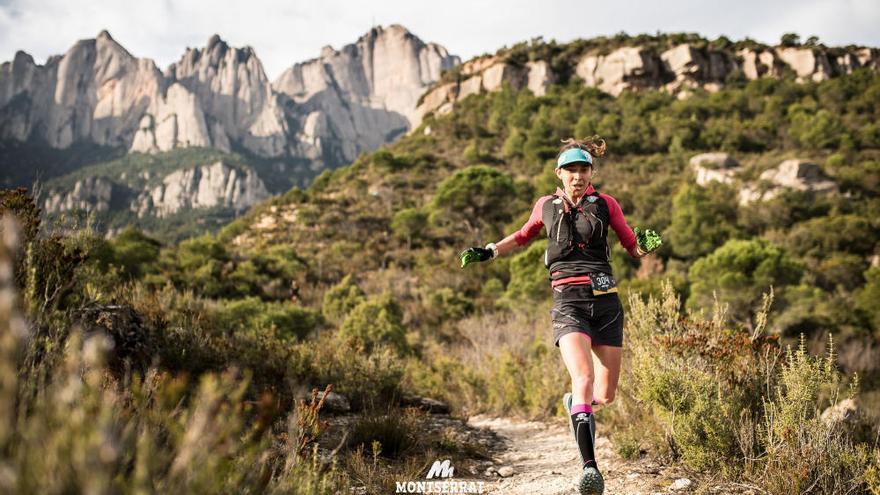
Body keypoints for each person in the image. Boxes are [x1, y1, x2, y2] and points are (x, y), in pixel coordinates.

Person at [459, 136, 660, 495]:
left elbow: (632, 246)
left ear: (591, 173)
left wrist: (645, 245)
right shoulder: (545, 206)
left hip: (606, 304)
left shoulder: (607, 204)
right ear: (559, 173)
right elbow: (522, 236)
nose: (578, 176)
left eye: (583, 170)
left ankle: (577, 407)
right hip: (568, 302)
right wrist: (489, 251)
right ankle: (590, 469)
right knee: (581, 376)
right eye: (571, 170)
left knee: (607, 394)